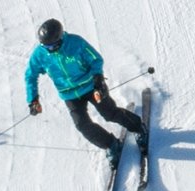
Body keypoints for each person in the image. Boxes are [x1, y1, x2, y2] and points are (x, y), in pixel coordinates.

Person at [23, 19, 141, 156]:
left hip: (91, 86)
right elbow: (30, 76)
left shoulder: (75, 43)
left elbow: (95, 59)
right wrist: (33, 99)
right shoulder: (40, 54)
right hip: (69, 95)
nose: (48, 50)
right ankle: (111, 144)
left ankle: (138, 127)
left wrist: (98, 77)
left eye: (51, 46)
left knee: (109, 113)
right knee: (82, 125)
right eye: (45, 47)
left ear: (60, 39)